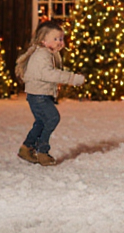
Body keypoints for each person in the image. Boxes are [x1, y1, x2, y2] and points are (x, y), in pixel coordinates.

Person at [16, 20, 86, 166]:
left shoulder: (47, 53)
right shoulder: (42, 55)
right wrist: (72, 78)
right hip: (38, 95)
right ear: (43, 40)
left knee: (41, 122)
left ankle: (26, 147)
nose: (60, 42)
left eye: (61, 39)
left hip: (37, 94)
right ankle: (42, 151)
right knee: (52, 118)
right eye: (55, 39)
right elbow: (50, 74)